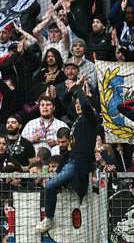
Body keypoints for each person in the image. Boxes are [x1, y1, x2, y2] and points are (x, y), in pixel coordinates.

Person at [35, 82, 98, 233]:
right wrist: (71, 91)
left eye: (80, 103)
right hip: (70, 161)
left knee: (50, 185)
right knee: (51, 185)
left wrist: (78, 90)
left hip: (78, 164)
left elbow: (86, 105)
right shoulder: (78, 119)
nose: (78, 106)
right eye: (76, 104)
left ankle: (49, 219)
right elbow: (63, 102)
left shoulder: (91, 119)